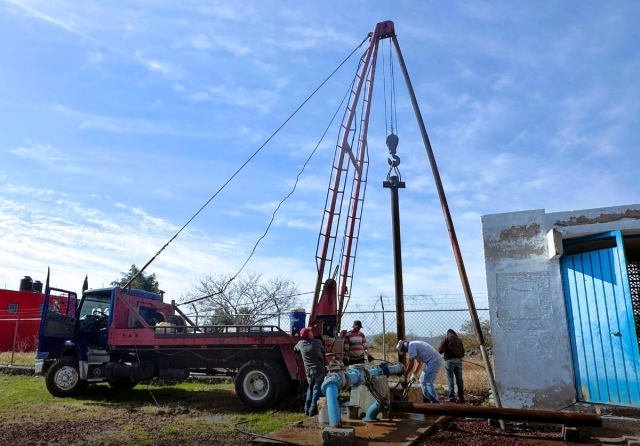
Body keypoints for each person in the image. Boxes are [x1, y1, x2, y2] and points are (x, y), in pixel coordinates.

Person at [294, 327, 325, 416]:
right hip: (319, 370)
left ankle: (306, 409)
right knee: (316, 390)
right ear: (309, 334)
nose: (312, 332)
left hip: (309, 371)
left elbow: (295, 349)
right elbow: (322, 350)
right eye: (310, 331)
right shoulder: (317, 342)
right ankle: (312, 410)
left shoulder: (300, 344)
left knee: (310, 389)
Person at [437, 329, 465, 403]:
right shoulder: (459, 340)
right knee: (459, 379)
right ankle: (461, 397)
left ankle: (452, 398)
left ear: (448, 333)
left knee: (450, 379)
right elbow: (463, 353)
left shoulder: (446, 339)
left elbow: (440, 350)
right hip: (459, 361)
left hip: (449, 361)